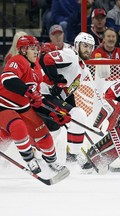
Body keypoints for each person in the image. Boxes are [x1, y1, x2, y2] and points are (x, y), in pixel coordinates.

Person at [0, 35, 70, 174]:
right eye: (32, 48)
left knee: (44, 137)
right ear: (23, 50)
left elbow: (36, 98)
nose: (36, 51)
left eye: (36, 48)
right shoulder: (17, 60)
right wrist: (28, 91)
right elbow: (7, 80)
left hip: (24, 107)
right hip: (4, 105)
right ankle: (30, 160)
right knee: (17, 127)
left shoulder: (37, 67)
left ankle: (52, 162)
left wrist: (54, 111)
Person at [39, 32, 95, 173]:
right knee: (79, 114)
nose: (88, 49)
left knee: (55, 129)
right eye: (85, 46)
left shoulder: (84, 68)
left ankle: (42, 158)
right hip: (42, 96)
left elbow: (68, 93)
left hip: (52, 99)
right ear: (77, 45)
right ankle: (73, 157)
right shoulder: (71, 54)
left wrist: (72, 112)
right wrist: (56, 80)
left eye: (91, 47)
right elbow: (46, 59)